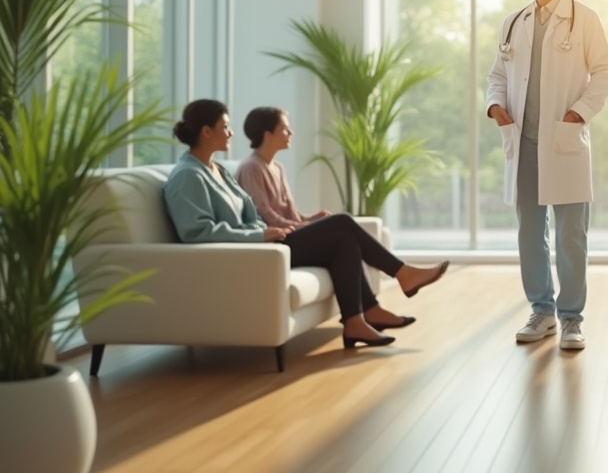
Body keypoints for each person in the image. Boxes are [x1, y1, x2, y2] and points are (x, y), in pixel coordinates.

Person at [163, 100, 450, 349]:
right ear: (206, 131)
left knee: (344, 240)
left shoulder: (217, 170)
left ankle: (357, 320)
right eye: (225, 126)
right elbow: (197, 232)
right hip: (255, 252)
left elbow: (250, 216)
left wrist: (281, 227)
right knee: (342, 223)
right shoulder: (188, 176)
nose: (231, 132)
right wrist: (261, 235)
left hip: (265, 245)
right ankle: (401, 275)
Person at [486, 0, 608, 351]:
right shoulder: (513, 22)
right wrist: (495, 107)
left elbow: (605, 74)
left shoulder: (583, 18)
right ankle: (541, 310)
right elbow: (498, 76)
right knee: (530, 232)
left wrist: (579, 113)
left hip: (563, 141)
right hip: (523, 141)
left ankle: (572, 318)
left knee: (571, 235)